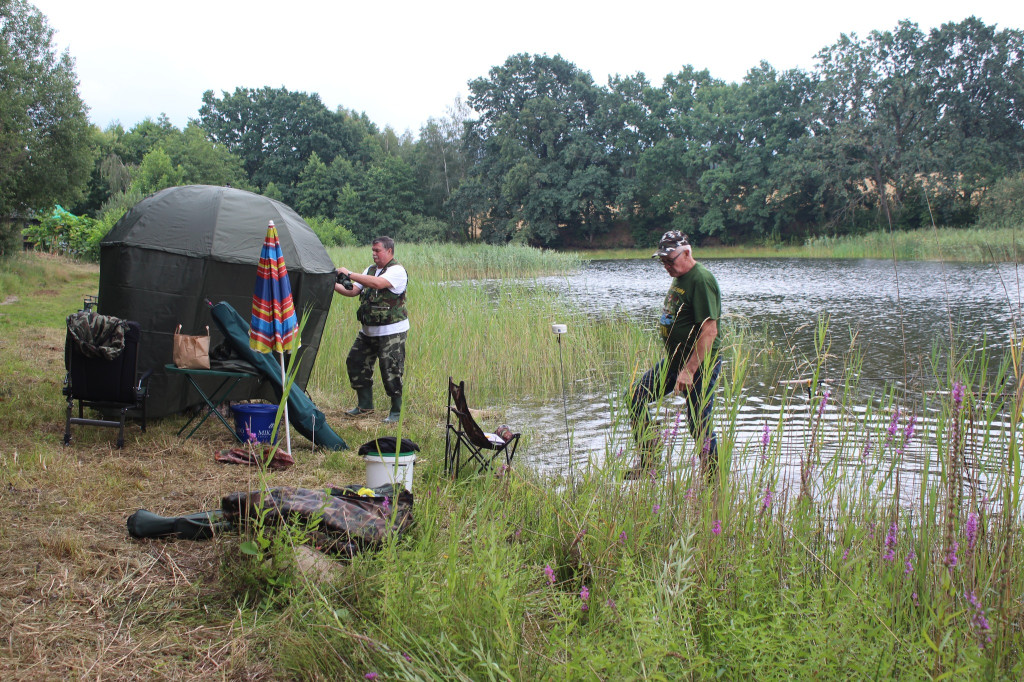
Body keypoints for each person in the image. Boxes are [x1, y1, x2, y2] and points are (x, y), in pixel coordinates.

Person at [626, 230, 722, 481]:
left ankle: (713, 481)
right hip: (675, 361)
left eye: (671, 260)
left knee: (698, 421)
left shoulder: (701, 279)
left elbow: (709, 331)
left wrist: (689, 370)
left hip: (699, 364)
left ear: (687, 252)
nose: (667, 266)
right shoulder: (679, 275)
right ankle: (649, 462)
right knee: (636, 396)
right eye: (663, 261)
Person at [334, 236, 408, 423]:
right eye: (373, 250)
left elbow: (377, 284)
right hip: (368, 332)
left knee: (390, 369)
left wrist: (349, 273)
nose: (374, 254)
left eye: (378, 251)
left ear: (389, 251)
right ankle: (365, 406)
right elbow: (352, 291)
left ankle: (396, 412)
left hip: (391, 332)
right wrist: (330, 283)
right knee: (355, 361)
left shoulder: (397, 270)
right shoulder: (370, 270)